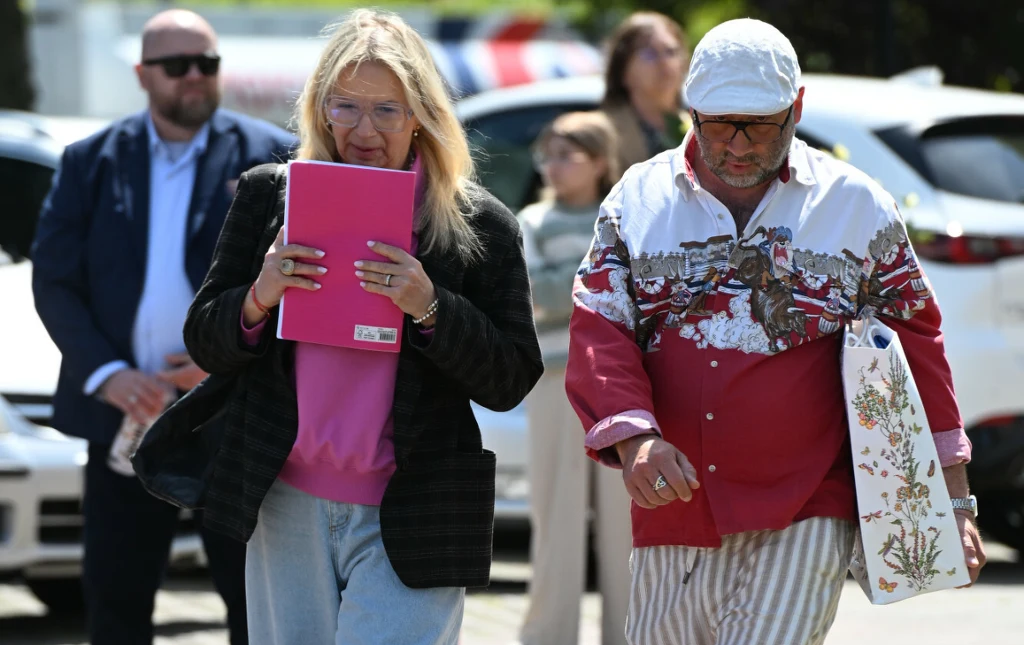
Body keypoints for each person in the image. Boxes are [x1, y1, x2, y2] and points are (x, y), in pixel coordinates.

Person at [566, 18, 986, 645]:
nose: (736, 146)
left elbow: (918, 350)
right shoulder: (636, 198)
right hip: (674, 509)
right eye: (717, 124)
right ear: (691, 110)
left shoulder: (857, 205)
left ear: (796, 108)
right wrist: (636, 441)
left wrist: (954, 501)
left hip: (807, 504)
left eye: (758, 126)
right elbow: (601, 326)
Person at [178, 9, 543, 645]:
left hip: (416, 504)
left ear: (422, 114)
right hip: (284, 498)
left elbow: (511, 376)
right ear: (320, 110)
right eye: (344, 106)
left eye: (387, 110)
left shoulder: (478, 224)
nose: (363, 129)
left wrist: (431, 307)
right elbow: (205, 338)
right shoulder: (270, 195)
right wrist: (259, 297)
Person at [30, 9, 295, 644]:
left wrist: (224, 356)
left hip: (232, 411)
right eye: (177, 66)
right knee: (116, 598)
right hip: (129, 413)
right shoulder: (92, 159)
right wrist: (107, 374)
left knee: (253, 603)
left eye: (207, 64)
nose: (195, 78)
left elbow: (302, 280)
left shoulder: (269, 157)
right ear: (143, 74)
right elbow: (55, 280)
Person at [516, 112, 631, 645]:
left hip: (622, 386)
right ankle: (546, 637)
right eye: (549, 154)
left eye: (568, 155)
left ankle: (631, 634)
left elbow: (635, 296)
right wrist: (599, 279)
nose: (554, 166)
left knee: (626, 523)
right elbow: (535, 295)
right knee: (554, 518)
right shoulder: (532, 221)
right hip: (555, 383)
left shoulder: (625, 218)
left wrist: (576, 287)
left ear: (601, 162)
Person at [601, 11, 690, 178]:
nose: (664, 62)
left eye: (671, 51)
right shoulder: (602, 134)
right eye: (649, 54)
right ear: (623, 71)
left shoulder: (700, 127)